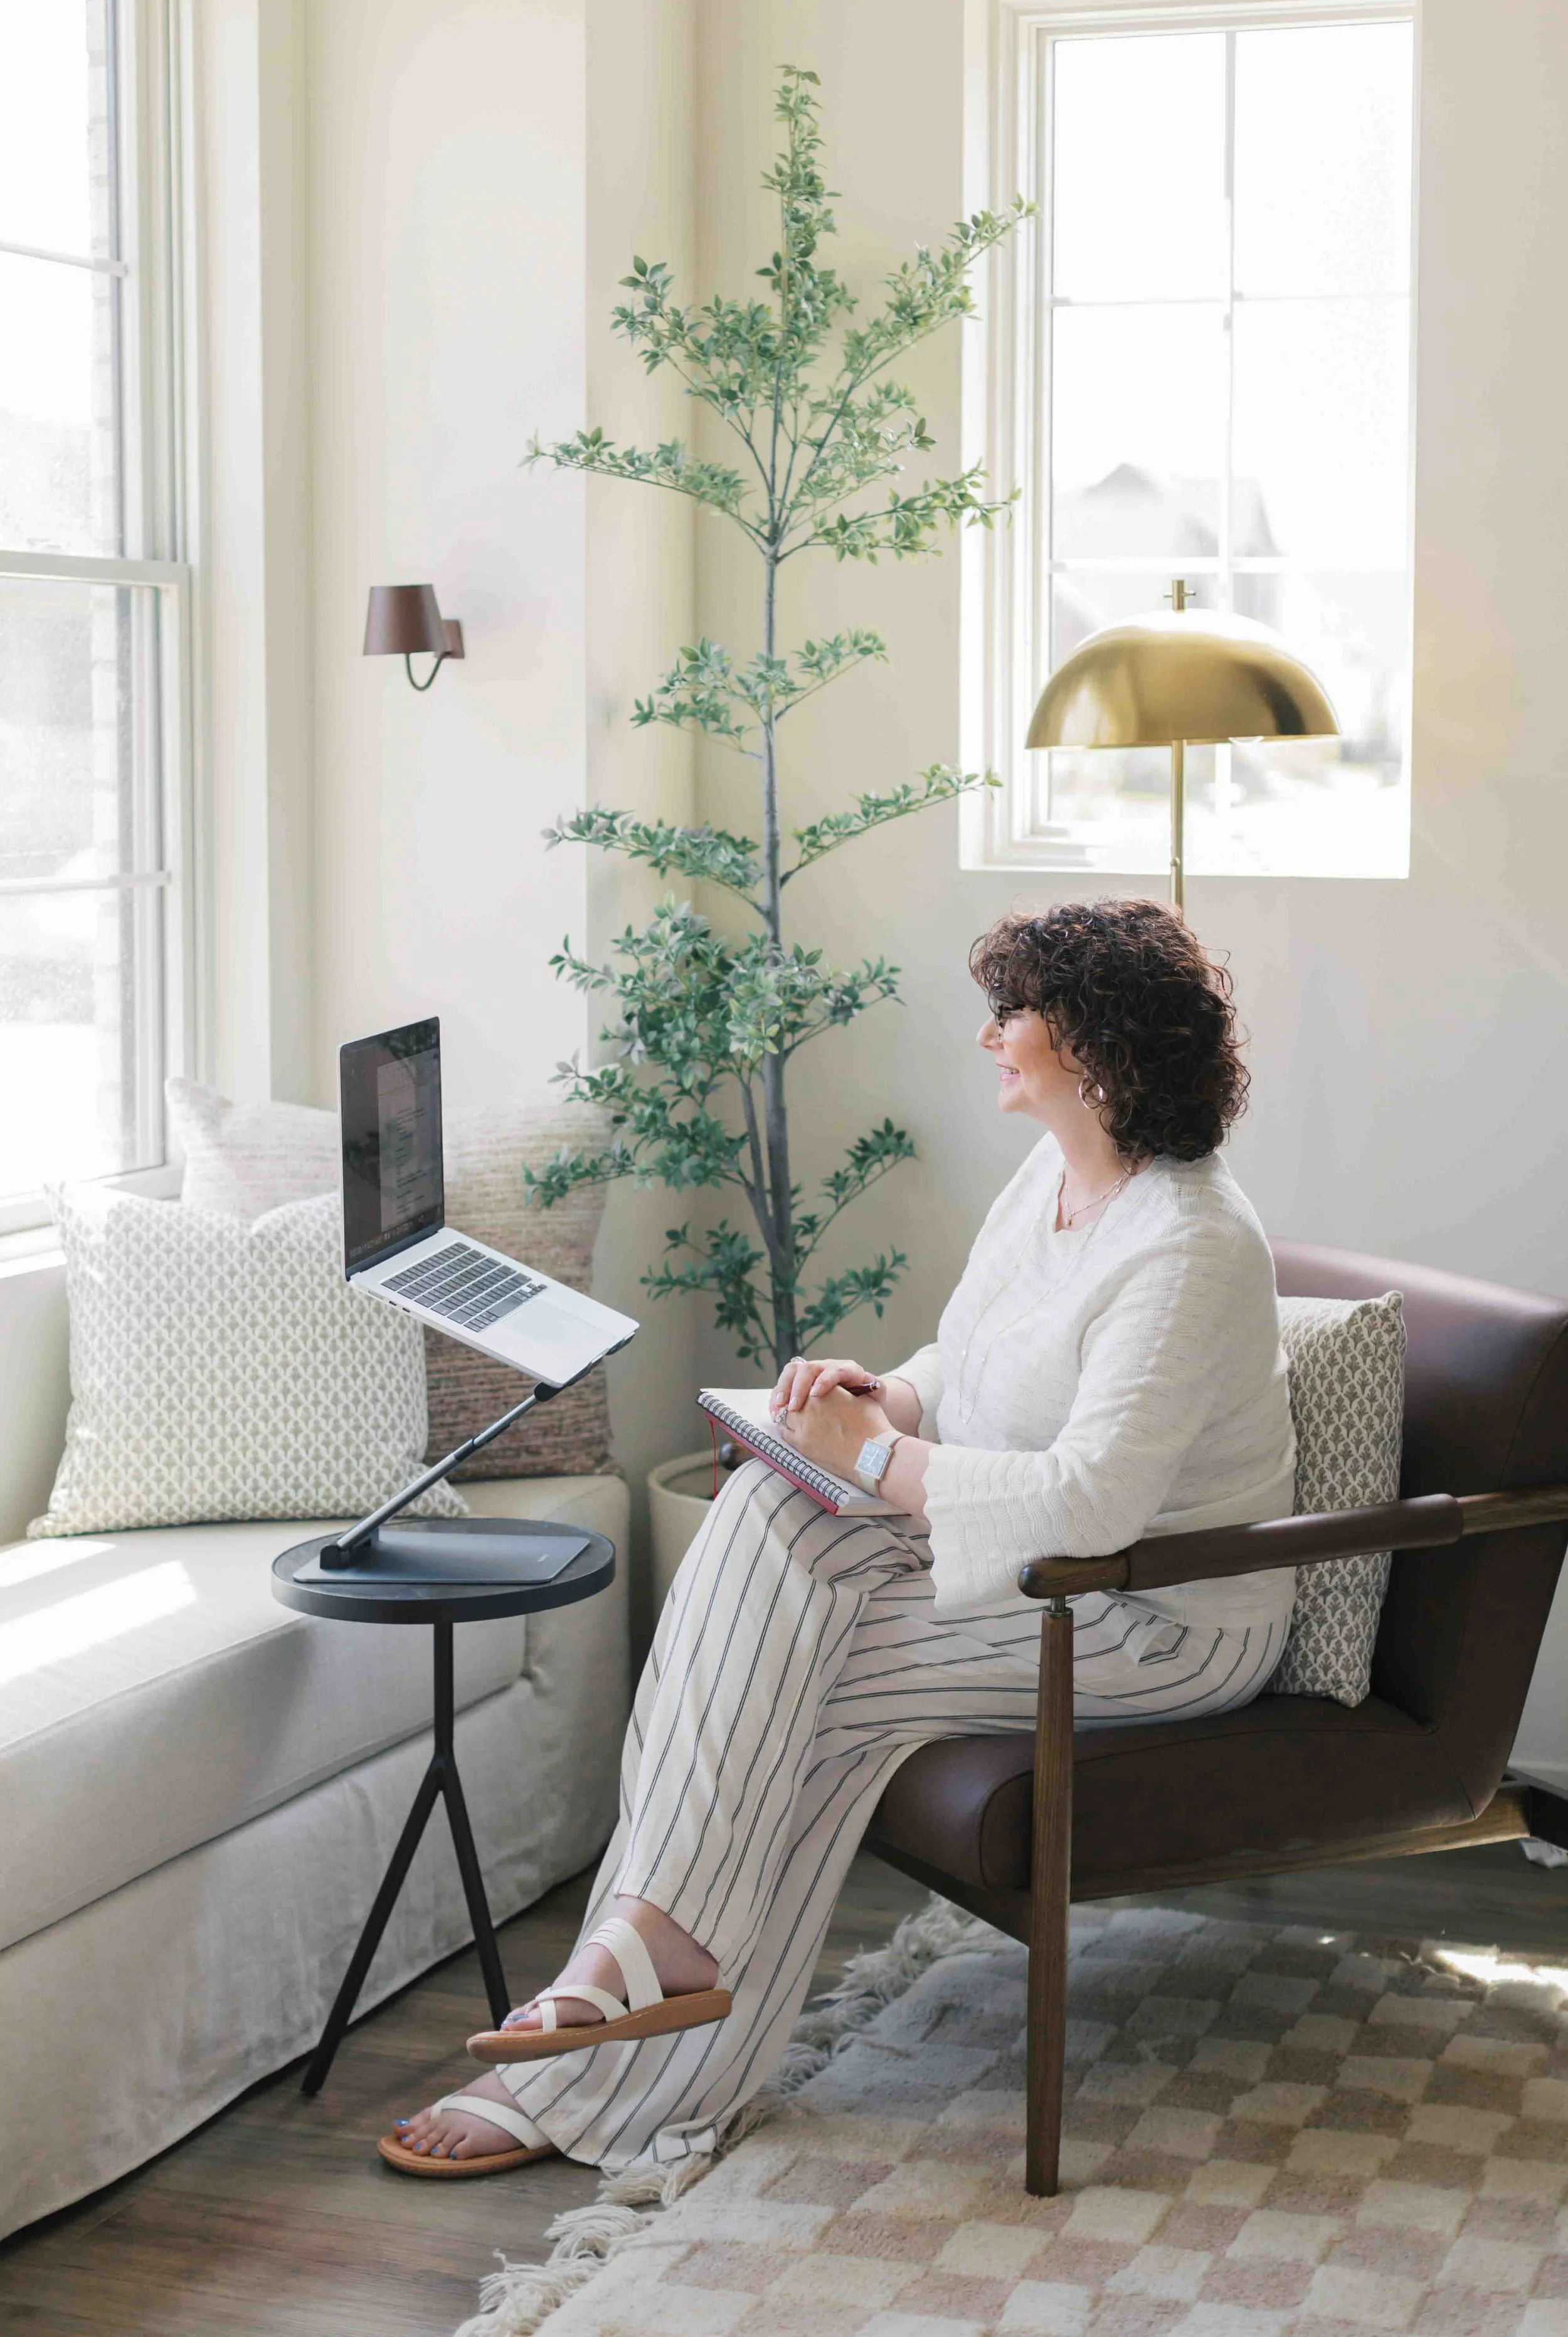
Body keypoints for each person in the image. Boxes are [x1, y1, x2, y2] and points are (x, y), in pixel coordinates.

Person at [383, 897, 1297, 2177]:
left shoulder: (1189, 1245)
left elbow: (1091, 1503)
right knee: (766, 1500)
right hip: (1034, 1577)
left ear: (1093, 1049)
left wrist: (865, 1459)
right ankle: (647, 1964)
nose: (986, 1040)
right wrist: (885, 1401)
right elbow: (963, 1355)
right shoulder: (1055, 1176)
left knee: (800, 1689)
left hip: (1156, 1616)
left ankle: (618, 2040)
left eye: (1010, 1016)